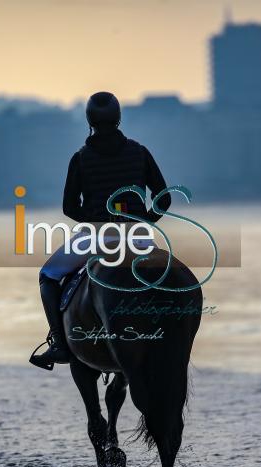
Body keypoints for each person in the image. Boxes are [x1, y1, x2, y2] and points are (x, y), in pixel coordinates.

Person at [29, 91, 172, 371]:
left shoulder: (81, 158)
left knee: (47, 276)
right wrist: (144, 222)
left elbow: (69, 207)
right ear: (118, 118)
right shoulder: (140, 152)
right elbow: (164, 198)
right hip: (138, 238)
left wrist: (95, 222)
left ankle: (59, 344)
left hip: (96, 237)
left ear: (89, 120)